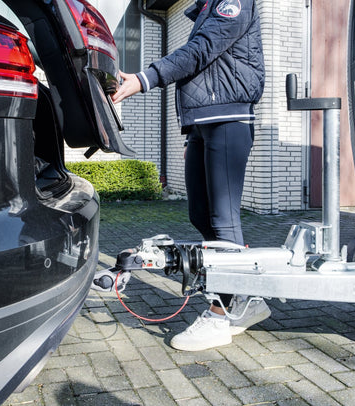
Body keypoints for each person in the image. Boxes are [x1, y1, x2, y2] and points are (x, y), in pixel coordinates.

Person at [112, 0, 270, 351]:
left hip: (227, 120)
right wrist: (192, 136)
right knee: (200, 215)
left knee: (223, 221)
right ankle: (246, 300)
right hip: (202, 124)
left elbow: (201, 51)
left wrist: (144, 79)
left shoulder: (233, 2)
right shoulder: (207, 7)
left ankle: (220, 314)